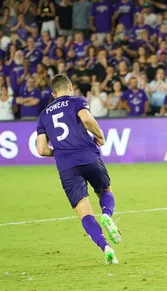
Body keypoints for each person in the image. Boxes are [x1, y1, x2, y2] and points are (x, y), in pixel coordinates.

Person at [36, 74, 121, 264]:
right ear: (70, 87)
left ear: (53, 93)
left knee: (84, 210)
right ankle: (107, 215)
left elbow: (41, 150)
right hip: (88, 156)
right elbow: (87, 120)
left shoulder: (43, 115)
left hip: (66, 167)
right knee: (105, 190)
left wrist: (59, 151)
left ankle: (105, 247)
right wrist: (100, 136)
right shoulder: (76, 101)